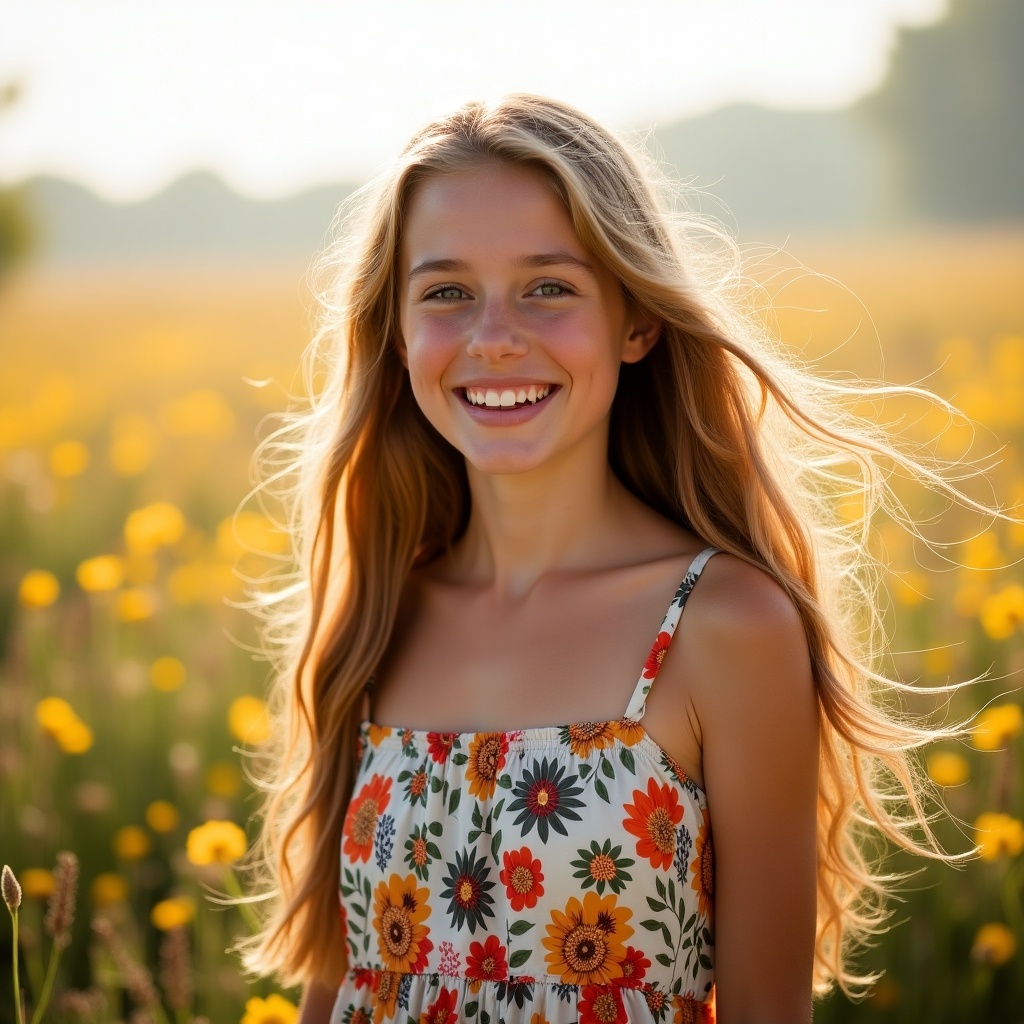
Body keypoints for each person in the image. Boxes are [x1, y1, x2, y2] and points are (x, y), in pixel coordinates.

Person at [242, 95, 964, 1024]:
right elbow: (339, 988)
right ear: (397, 332)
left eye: (549, 286)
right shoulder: (381, 613)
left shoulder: (723, 627)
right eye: (447, 292)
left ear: (637, 323)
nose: (493, 336)